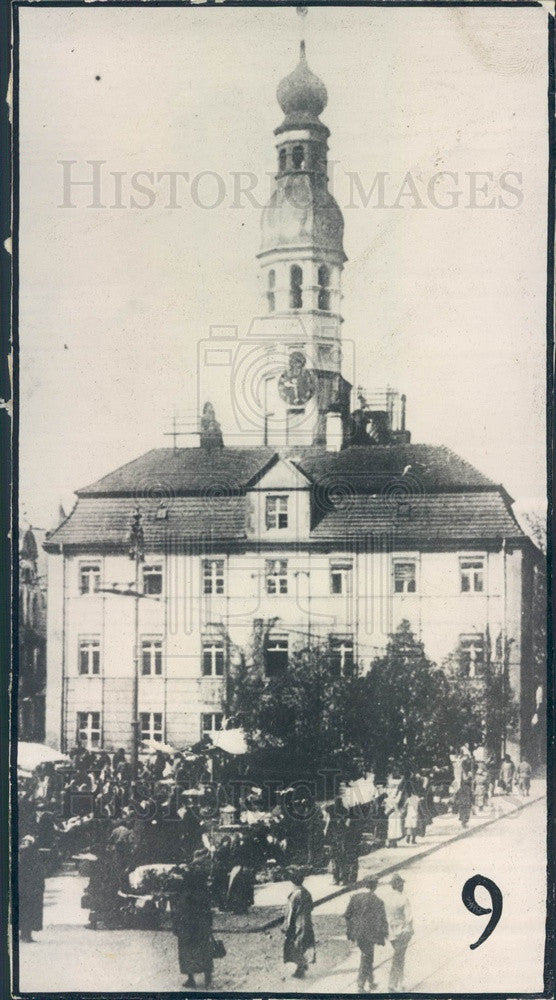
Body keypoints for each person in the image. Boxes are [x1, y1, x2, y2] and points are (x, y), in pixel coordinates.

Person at [171, 863, 214, 989]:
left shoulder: (184, 895)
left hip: (187, 929)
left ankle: (191, 979)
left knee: (187, 953)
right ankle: (207, 976)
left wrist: (176, 927)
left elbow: (180, 913)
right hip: (202, 927)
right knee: (204, 950)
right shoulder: (203, 893)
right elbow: (208, 912)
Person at [344, 875, 389, 991]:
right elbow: (382, 920)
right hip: (370, 934)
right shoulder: (378, 901)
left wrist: (351, 930)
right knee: (366, 957)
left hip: (357, 933)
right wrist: (383, 935)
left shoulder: (355, 897)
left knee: (368, 955)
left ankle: (371, 981)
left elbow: (347, 915)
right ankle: (360, 985)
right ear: (375, 886)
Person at [282, 869, 315, 979]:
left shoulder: (294, 895)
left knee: (296, 946)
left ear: (292, 882)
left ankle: (300, 969)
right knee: (304, 944)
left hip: (297, 924)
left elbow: (290, 913)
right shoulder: (306, 892)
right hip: (307, 922)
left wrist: (286, 926)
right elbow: (311, 907)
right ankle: (303, 965)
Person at [385, 874, 413, 992]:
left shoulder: (387, 899)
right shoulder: (403, 898)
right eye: (401, 884)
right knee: (399, 957)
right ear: (399, 885)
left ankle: (399, 982)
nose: (403, 886)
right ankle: (394, 984)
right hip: (402, 931)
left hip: (391, 932)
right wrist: (409, 930)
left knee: (399, 956)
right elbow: (409, 917)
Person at [18, 836, 45, 942]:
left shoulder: (21, 854)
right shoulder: (33, 854)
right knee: (30, 911)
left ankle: (24, 934)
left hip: (24, 887)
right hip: (31, 887)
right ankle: (26, 935)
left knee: (24, 910)